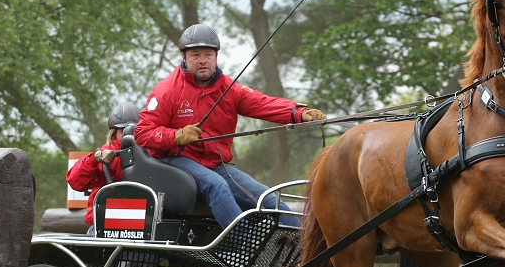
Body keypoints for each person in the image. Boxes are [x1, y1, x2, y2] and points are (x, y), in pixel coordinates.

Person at [134, 24, 325, 230]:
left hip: (215, 165)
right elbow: (142, 133)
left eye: (208, 54)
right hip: (175, 162)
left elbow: (262, 103)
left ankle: (304, 247)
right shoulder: (166, 90)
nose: (203, 60)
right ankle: (246, 246)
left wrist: (297, 113)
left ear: (216, 56)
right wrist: (177, 135)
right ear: (184, 56)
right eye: (195, 55)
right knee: (217, 187)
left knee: (266, 198)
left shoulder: (228, 89)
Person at [67, 102, 140, 235]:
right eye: (124, 131)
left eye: (133, 130)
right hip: (105, 226)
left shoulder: (149, 154)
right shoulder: (107, 154)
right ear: (114, 133)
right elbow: (75, 180)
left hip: (139, 225)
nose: (129, 135)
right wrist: (94, 159)